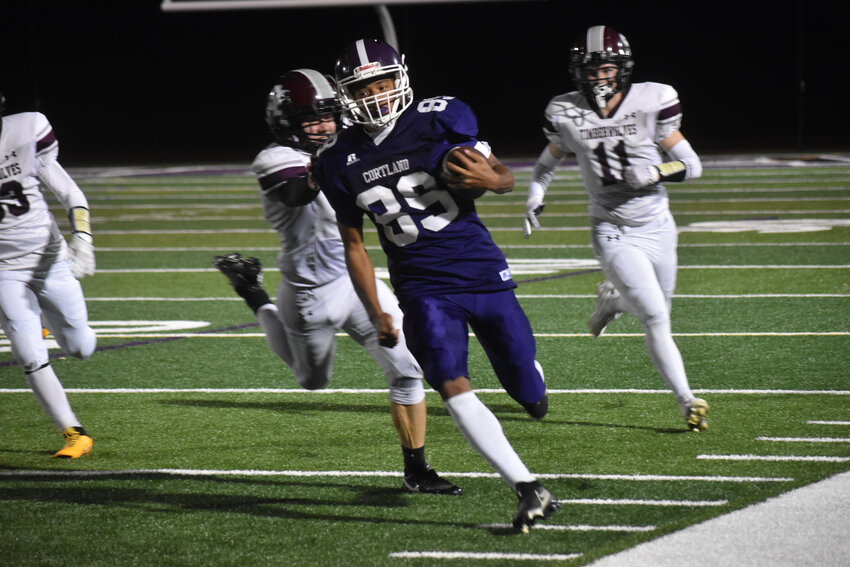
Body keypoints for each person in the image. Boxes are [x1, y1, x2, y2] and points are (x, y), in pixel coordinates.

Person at [313, 39, 559, 533]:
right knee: (449, 383)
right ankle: (528, 487)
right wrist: (378, 311)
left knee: (527, 391)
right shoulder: (336, 159)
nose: (377, 94)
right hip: (421, 286)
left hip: (479, 270)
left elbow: (501, 176)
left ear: (401, 78)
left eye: (384, 82)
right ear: (346, 94)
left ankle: (529, 385)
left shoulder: (439, 117)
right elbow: (355, 245)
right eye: (365, 87)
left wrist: (496, 183)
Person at [214, 69, 459, 495]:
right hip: (308, 292)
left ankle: (417, 471)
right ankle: (252, 291)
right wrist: (346, 158)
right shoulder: (274, 158)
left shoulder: (350, 147)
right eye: (311, 120)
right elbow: (296, 191)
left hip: (356, 278)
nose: (324, 126)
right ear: (288, 124)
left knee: (408, 369)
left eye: (329, 116)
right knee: (312, 381)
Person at [522, 25, 709, 432]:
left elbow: (692, 165)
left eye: (607, 68)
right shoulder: (566, 111)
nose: (599, 77)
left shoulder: (650, 100)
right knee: (657, 317)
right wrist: (536, 191)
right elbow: (547, 161)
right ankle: (687, 401)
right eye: (591, 71)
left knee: (658, 306)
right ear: (579, 73)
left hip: (658, 223)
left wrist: (656, 170)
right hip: (612, 227)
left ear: (622, 69)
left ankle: (612, 301)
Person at [0, 91, 97, 457]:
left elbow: (70, 192)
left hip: (48, 258)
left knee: (80, 348)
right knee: (27, 350)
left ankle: (46, 317)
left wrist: (83, 238)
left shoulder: (26, 130)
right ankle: (74, 433)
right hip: (4, 269)